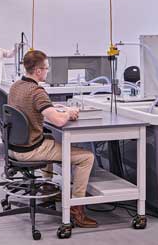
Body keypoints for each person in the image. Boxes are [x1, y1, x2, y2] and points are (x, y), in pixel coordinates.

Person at [8, 50, 97, 228]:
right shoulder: (37, 91)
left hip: (14, 148)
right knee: (87, 157)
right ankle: (76, 208)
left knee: (48, 137)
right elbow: (57, 120)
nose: (47, 72)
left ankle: (48, 188)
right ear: (38, 71)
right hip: (31, 150)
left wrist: (52, 107)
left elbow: (33, 109)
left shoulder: (16, 86)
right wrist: (69, 112)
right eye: (46, 68)